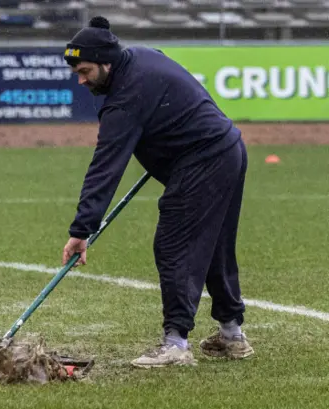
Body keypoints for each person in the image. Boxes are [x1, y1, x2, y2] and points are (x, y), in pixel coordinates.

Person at [60, 16, 255, 368]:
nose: (81, 80)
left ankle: (176, 344)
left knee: (174, 244)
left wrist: (81, 229)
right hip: (227, 147)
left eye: (86, 70)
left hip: (204, 160)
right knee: (213, 246)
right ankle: (231, 335)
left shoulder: (124, 99)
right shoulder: (143, 56)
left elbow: (106, 168)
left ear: (107, 61)